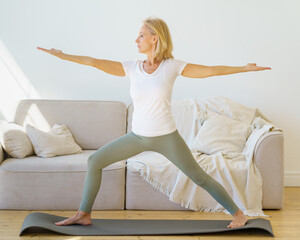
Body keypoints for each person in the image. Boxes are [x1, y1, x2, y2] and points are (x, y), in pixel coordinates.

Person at [36, 16, 271, 229]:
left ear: (154, 38)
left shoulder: (171, 66)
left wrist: (244, 68)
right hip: (137, 137)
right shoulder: (132, 68)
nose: (136, 39)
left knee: (199, 176)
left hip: (167, 138)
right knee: (95, 160)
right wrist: (63, 55)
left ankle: (238, 214)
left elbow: (209, 70)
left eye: (141, 35)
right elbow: (95, 61)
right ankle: (83, 213)